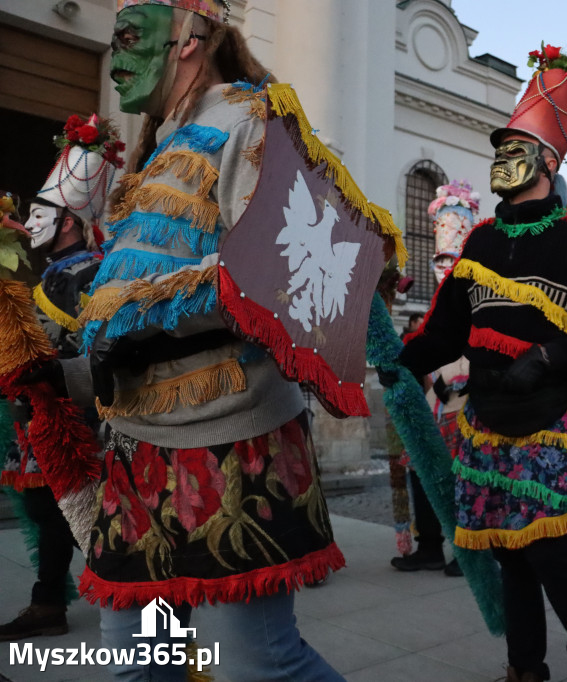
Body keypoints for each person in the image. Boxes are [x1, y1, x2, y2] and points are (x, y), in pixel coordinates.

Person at [29, 2, 346, 678]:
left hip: (231, 442)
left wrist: (153, 338)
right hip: (139, 449)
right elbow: (127, 311)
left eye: (130, 37)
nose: (115, 57)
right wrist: (69, 375)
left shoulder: (250, 119)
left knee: (259, 662)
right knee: (138, 657)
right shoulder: (159, 143)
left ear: (188, 44)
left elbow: (280, 268)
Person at [399, 42, 567, 682]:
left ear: (548, 159)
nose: (501, 156)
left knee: (550, 551)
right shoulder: (482, 240)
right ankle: (525, 670)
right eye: (497, 148)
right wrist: (401, 362)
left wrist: (551, 357)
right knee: (510, 557)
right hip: (487, 420)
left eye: (514, 148)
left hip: (547, 414)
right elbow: (446, 330)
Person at [0, 115, 117, 641]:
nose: (30, 219)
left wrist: (51, 370)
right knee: (50, 511)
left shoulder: (91, 274)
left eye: (40, 212)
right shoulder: (50, 273)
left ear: (67, 220)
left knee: (69, 516)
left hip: (77, 423)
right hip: (41, 420)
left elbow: (108, 353)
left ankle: (68, 600)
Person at [391, 181, 478, 576]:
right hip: (437, 401)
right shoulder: (434, 308)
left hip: (469, 403)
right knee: (421, 467)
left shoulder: (479, 300)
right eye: (440, 262)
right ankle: (429, 544)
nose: (445, 269)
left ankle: (469, 550)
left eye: (452, 262)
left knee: (466, 475)